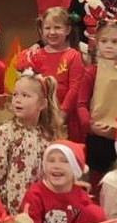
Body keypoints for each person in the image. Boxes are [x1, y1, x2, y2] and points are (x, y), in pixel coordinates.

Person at [75, 17, 117, 191]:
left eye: (114, 41)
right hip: (97, 138)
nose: (109, 46)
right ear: (97, 43)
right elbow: (81, 104)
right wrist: (90, 126)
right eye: (104, 41)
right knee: (97, 183)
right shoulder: (91, 72)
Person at [0, 71, 63, 214]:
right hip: (10, 211)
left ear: (42, 104)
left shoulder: (48, 136)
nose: (17, 100)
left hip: (40, 209)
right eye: (15, 94)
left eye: (25, 95)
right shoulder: (5, 133)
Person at [21, 8, 83, 140]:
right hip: (41, 115)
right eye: (47, 28)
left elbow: (75, 88)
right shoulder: (36, 54)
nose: (52, 32)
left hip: (65, 117)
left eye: (57, 27)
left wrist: (62, 113)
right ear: (41, 30)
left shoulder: (73, 56)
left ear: (68, 30)